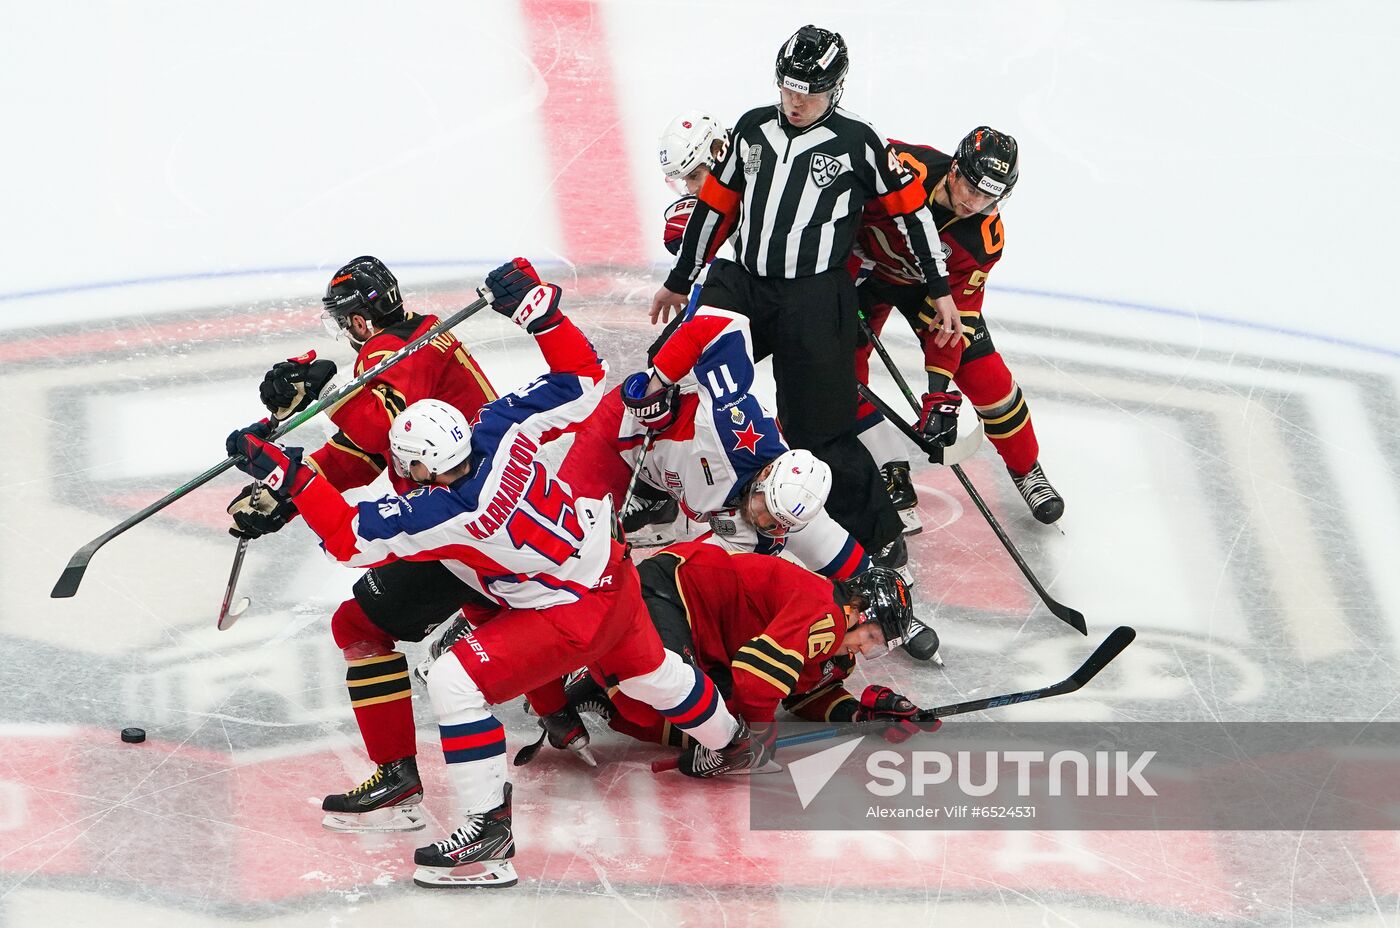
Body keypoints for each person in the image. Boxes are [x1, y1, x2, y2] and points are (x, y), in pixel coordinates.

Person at [225, 258, 769, 888]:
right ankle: (728, 739)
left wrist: (289, 475)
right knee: (653, 671)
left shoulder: (447, 509)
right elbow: (583, 378)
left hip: (559, 605)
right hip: (609, 569)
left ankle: (486, 833)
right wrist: (541, 311)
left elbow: (352, 534)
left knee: (453, 678)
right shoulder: (498, 427)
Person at [649, 24, 963, 573]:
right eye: (788, 88)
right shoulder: (750, 130)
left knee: (821, 432)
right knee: (671, 370)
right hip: (741, 282)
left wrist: (939, 289)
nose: (796, 103)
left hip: (815, 297)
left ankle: (878, 535)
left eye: (810, 93)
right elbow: (716, 207)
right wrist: (682, 275)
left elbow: (912, 214)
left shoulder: (859, 144)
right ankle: (657, 482)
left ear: (836, 89)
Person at [224, 256, 503, 832]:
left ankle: (397, 774)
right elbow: (375, 451)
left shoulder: (390, 353)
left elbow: (382, 431)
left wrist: (318, 403)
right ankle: (569, 695)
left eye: (344, 319)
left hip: (465, 523)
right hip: (490, 512)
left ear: (359, 319)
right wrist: (285, 492)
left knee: (358, 626)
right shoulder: (415, 340)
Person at [852, 127, 1064, 525]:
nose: (974, 202)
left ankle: (1026, 468)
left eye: (989, 195)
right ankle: (885, 462)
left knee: (989, 380)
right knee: (839, 368)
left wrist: (938, 393)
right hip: (860, 271)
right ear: (953, 169)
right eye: (971, 187)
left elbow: (954, 321)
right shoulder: (903, 165)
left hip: (928, 292)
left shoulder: (985, 239)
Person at [562, 542, 942, 763]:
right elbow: (757, 680)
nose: (866, 648)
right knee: (677, 703)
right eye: (873, 635)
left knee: (714, 719)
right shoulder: (824, 611)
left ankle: (603, 685)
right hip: (673, 591)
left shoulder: (836, 646)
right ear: (859, 611)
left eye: (878, 646)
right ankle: (596, 676)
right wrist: (754, 741)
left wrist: (860, 713)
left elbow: (806, 693)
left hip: (704, 633)